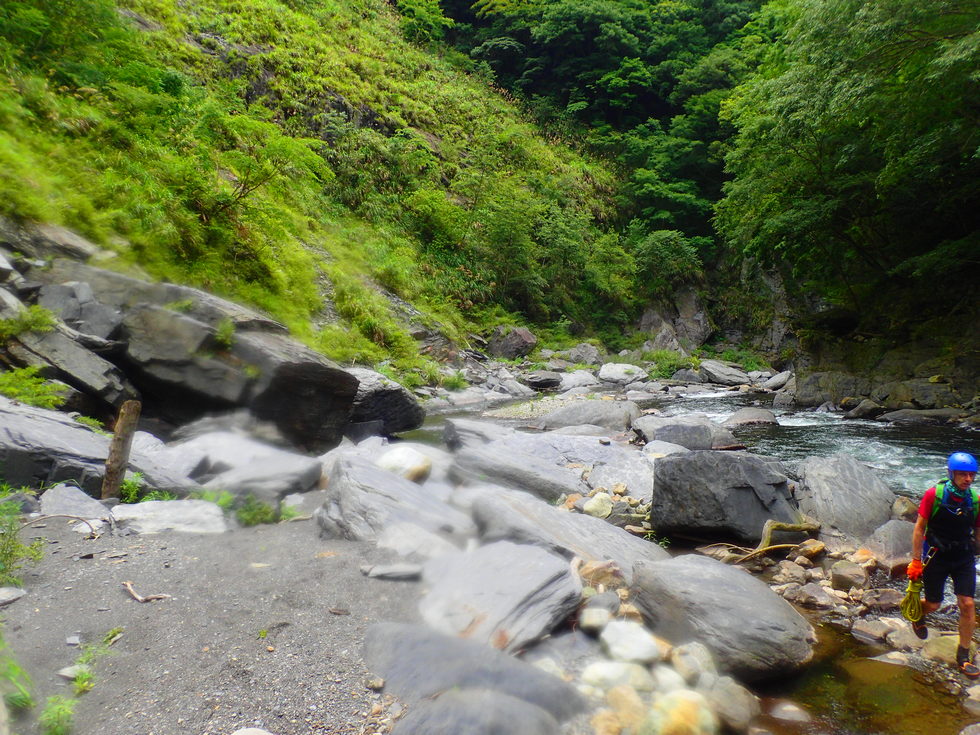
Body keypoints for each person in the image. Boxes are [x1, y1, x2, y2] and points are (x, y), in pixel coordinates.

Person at [907, 451, 980, 678]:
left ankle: (963, 656)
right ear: (952, 474)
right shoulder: (934, 495)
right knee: (934, 603)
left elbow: (978, 531)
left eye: (972, 475)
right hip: (936, 556)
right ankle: (918, 614)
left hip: (963, 556)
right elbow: (919, 529)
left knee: (967, 604)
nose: (968, 479)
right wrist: (916, 561)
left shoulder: (975, 500)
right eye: (963, 475)